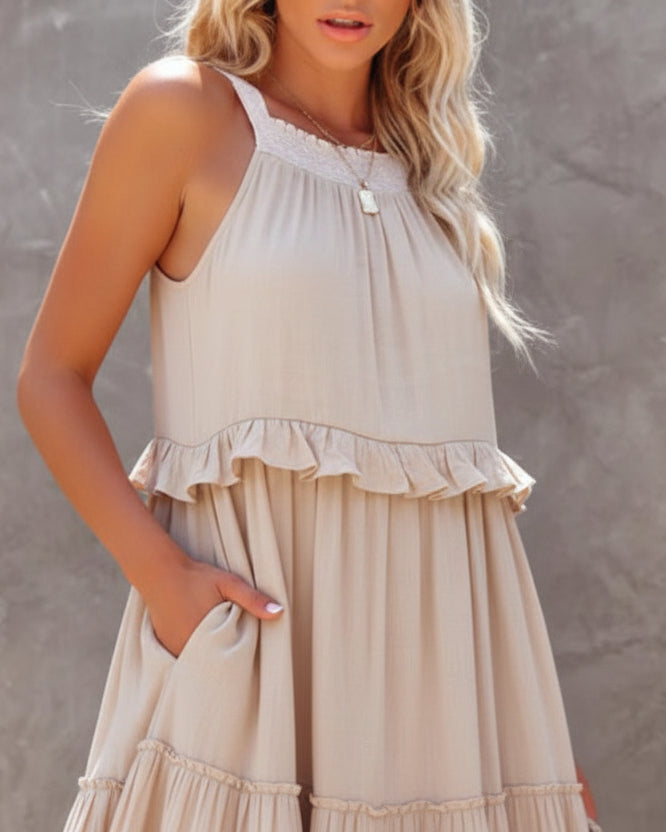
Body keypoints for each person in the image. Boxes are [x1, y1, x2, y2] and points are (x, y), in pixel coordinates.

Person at [17, 0, 603, 830]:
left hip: (452, 709)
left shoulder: (429, 174)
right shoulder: (185, 111)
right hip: (258, 663)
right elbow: (50, 376)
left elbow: (459, 487)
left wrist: (530, 737)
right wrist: (165, 581)